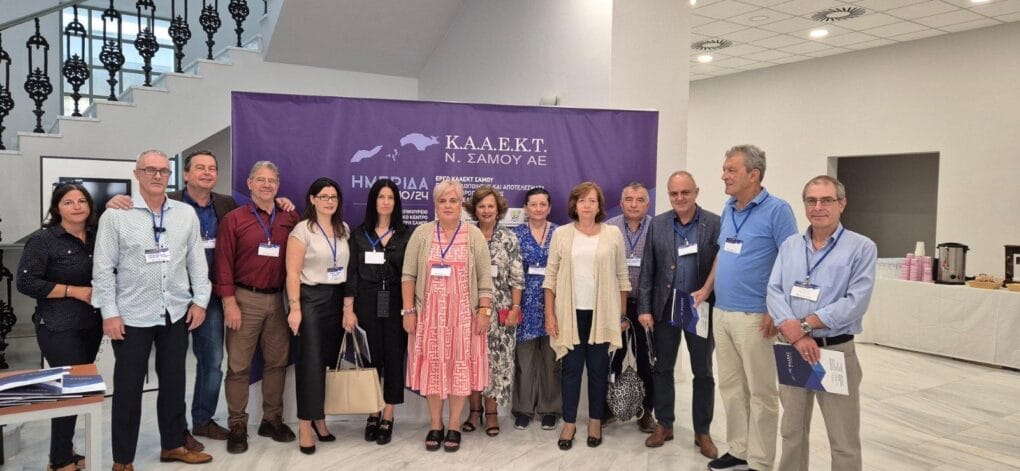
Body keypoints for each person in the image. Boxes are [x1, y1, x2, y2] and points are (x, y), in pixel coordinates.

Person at [104, 150, 294, 451]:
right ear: (185, 174)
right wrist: (114, 201)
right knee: (172, 371)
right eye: (200, 168)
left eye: (212, 168)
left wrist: (283, 203)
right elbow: (109, 255)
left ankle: (202, 419)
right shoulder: (168, 204)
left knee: (212, 362)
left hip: (209, 296)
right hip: (169, 297)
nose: (206, 173)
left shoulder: (226, 205)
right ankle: (176, 434)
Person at [92, 150, 213, 469]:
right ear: (137, 174)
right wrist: (109, 312)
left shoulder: (185, 214)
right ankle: (123, 459)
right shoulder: (116, 215)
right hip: (131, 316)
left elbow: (196, 262)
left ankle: (173, 445)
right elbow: (103, 268)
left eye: (163, 171)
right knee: (128, 390)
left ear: (170, 176)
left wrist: (200, 301)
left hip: (175, 312)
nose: (157, 176)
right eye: (150, 170)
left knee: (174, 385)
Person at [767, 175, 876, 471]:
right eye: (811, 201)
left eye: (826, 200)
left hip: (833, 351)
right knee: (791, 432)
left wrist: (804, 325)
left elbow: (856, 301)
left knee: (843, 440)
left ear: (842, 204)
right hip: (793, 349)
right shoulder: (790, 245)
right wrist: (797, 334)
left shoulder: (861, 248)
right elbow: (774, 291)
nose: (818, 207)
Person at [707, 145, 798, 471]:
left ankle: (760, 461)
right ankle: (739, 449)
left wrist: (777, 309)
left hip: (757, 316)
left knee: (761, 392)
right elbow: (723, 253)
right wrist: (706, 289)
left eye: (731, 170)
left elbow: (791, 262)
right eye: (724, 169)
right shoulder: (729, 208)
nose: (724, 175)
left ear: (753, 174)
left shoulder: (778, 211)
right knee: (731, 387)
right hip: (722, 312)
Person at [402, 179, 494, 453]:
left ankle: (454, 424)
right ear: (435, 204)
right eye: (442, 201)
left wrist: (484, 311)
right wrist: (409, 311)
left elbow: (485, 278)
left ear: (461, 204)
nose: (448, 205)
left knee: (459, 370)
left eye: (453, 200)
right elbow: (408, 275)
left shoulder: (473, 235)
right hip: (428, 318)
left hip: (464, 318)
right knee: (433, 368)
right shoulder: (422, 233)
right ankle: (435, 424)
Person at [214, 161, 300, 454]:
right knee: (238, 366)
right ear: (249, 184)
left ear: (278, 185)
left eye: (271, 180)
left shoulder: (289, 217)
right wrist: (229, 303)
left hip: (278, 299)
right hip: (244, 299)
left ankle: (272, 420)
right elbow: (223, 263)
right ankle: (237, 425)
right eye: (260, 180)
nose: (266, 185)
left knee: (277, 363)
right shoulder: (234, 219)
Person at [635, 171, 721, 457]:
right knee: (662, 368)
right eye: (674, 193)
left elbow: (721, 265)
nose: (680, 198)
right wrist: (644, 308)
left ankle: (702, 432)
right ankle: (664, 424)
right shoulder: (658, 224)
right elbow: (648, 269)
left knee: (703, 371)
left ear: (696, 192)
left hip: (699, 307)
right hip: (666, 307)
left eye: (685, 192)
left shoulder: (714, 223)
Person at [16, 183, 102, 471]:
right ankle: (60, 460)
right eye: (68, 202)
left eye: (82, 201)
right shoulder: (44, 240)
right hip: (57, 326)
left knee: (76, 391)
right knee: (69, 390)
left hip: (91, 324)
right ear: (57, 208)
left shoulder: (96, 237)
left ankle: (62, 453)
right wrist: (73, 291)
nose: (76, 206)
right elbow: (26, 282)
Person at [543, 181, 631, 451]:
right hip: (569, 314)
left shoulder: (612, 234)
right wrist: (549, 313)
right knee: (570, 371)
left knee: (598, 370)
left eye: (592, 200)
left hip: (602, 315)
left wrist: (622, 315)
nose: (587, 205)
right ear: (574, 204)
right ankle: (569, 423)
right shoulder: (562, 234)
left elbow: (622, 276)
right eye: (582, 200)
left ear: (599, 205)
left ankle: (595, 421)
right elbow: (550, 277)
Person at [285, 177, 349, 454]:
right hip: (310, 300)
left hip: (336, 300)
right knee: (310, 364)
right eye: (324, 196)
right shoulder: (302, 230)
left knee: (326, 364)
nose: (329, 201)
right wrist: (295, 307)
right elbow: (292, 273)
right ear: (312, 199)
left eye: (333, 197)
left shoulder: (343, 229)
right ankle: (304, 425)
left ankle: (320, 419)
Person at [345, 178, 411, 445]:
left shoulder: (406, 234)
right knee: (370, 357)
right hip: (367, 301)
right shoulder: (359, 234)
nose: (385, 202)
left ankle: (389, 414)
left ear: (396, 203)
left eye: (390, 197)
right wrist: (348, 309)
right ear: (373, 201)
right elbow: (351, 274)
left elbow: (412, 274)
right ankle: (372, 411)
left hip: (396, 301)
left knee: (394, 357)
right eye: (381, 197)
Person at [463, 185, 524, 437]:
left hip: (501, 313)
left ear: (498, 210)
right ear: (474, 210)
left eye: (491, 206)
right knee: (471, 362)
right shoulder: (465, 235)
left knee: (496, 365)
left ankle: (491, 414)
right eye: (481, 206)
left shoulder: (509, 238)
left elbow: (517, 277)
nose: (486, 210)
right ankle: (473, 412)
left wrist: (515, 308)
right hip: (469, 311)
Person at [510, 187, 561, 431]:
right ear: (526, 208)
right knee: (525, 360)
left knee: (551, 361)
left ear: (549, 208)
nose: (538, 209)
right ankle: (523, 409)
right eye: (533, 204)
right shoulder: (515, 235)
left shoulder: (560, 233)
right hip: (524, 304)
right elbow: (511, 272)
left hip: (554, 304)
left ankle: (550, 409)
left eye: (543, 204)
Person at [605, 181, 654, 431]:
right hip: (615, 304)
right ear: (621, 203)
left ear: (648, 203)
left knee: (647, 360)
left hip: (647, 306)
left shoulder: (657, 227)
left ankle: (646, 411)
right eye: (629, 199)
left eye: (640, 200)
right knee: (613, 357)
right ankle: (607, 409)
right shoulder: (608, 228)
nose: (634, 204)